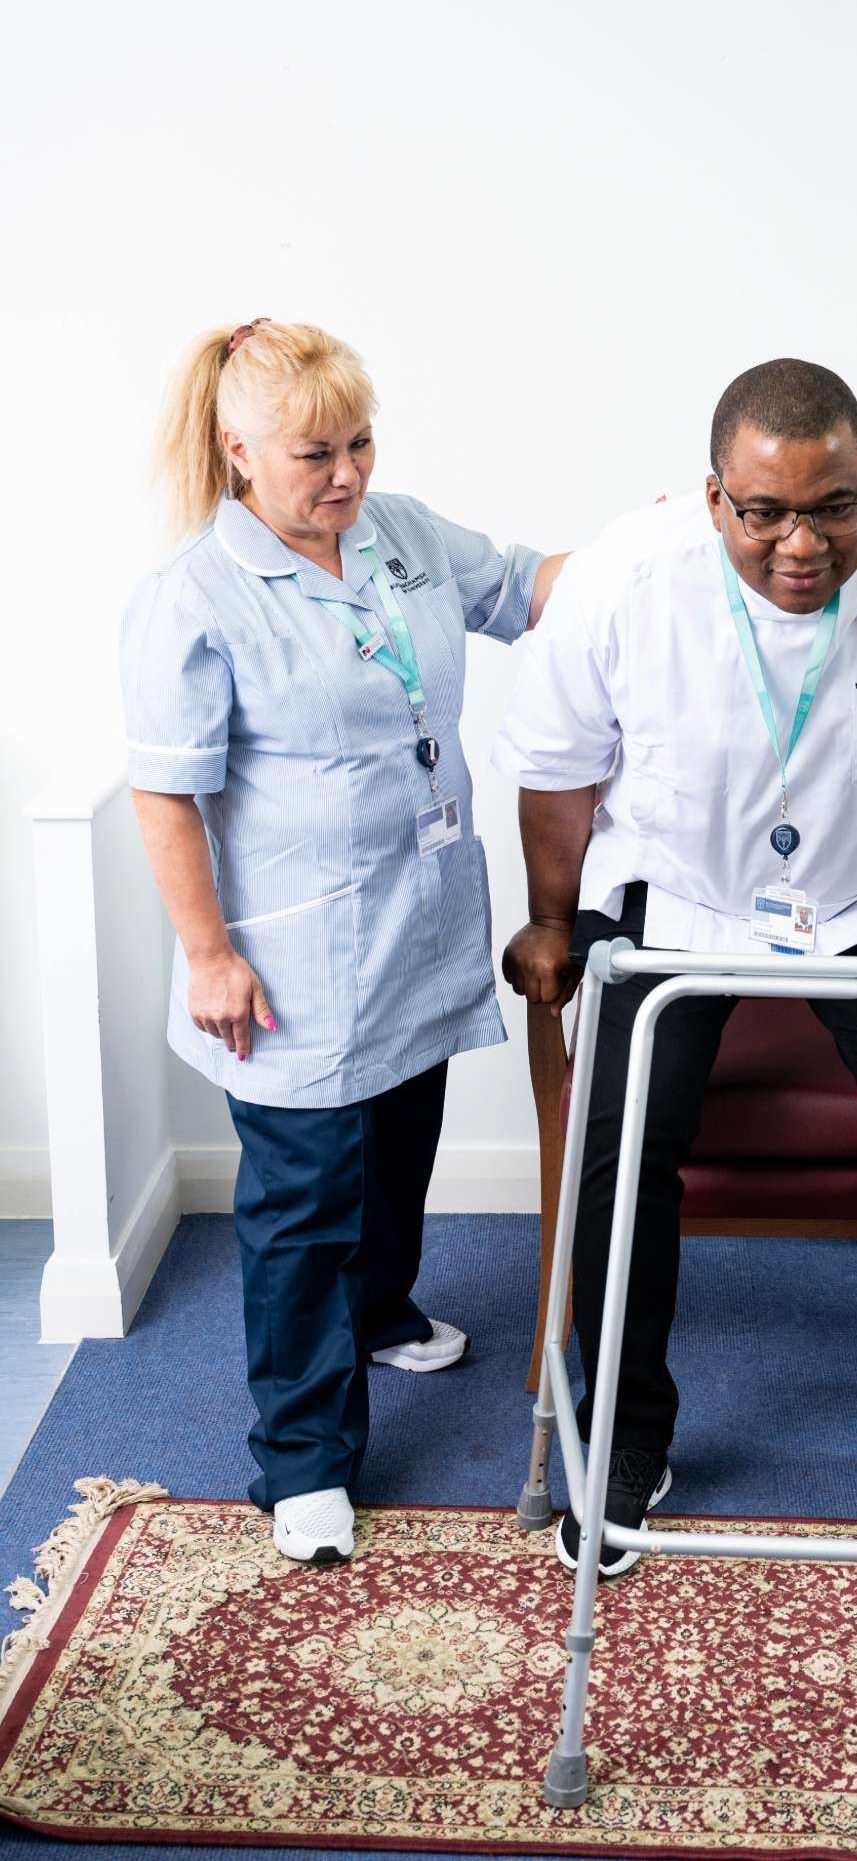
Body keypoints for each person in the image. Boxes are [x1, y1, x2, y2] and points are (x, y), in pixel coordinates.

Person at [498, 358, 857, 1573]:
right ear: (713, 500)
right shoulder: (622, 582)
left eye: (835, 507)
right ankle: (627, 1435)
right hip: (679, 888)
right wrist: (551, 920)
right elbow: (556, 767)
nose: (803, 544)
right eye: (766, 513)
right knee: (620, 1136)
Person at [122, 319, 564, 1564]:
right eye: (316, 452)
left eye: (360, 442)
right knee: (304, 1203)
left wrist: (657, 544)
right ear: (238, 451)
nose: (347, 474)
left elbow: (531, 587)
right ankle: (305, 1460)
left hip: (415, 921)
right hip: (290, 953)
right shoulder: (193, 599)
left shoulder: (403, 534)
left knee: (397, 1147)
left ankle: (380, 1312)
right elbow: (167, 794)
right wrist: (208, 954)